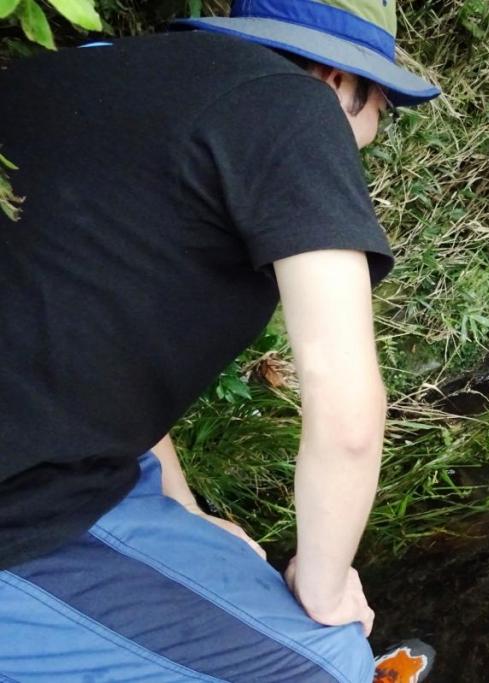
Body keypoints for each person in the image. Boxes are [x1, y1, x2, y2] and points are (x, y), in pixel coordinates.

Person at [0, 0, 438, 680]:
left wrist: (182, 503)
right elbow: (349, 414)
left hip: (76, 460)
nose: (379, 117)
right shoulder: (294, 107)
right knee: (331, 662)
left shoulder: (82, 75)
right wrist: (326, 590)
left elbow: (87, 325)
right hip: (26, 515)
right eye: (380, 96)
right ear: (334, 76)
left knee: (234, 558)